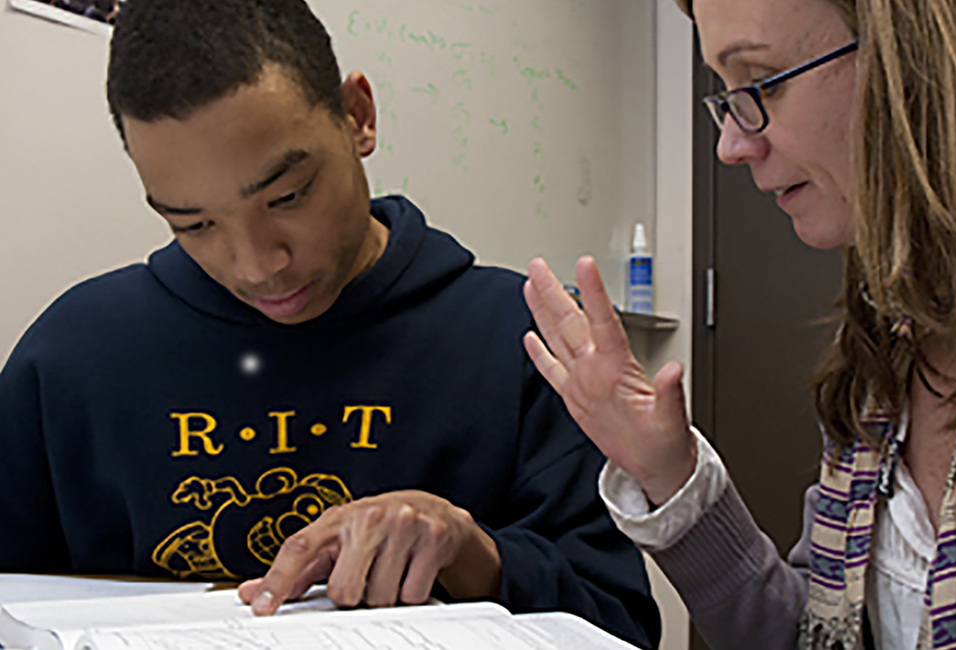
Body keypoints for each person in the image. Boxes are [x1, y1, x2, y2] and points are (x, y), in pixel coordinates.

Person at [522, 0, 956, 648]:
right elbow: (819, 636)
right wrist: (670, 477)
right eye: (726, 94)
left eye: (762, 81)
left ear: (928, 50)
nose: (730, 143)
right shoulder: (893, 331)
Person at [0, 0, 659, 647]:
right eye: (194, 224)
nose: (258, 266)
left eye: (287, 196)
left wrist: (471, 554)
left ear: (357, 116)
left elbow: (620, 625)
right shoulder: (69, 361)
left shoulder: (522, 342)